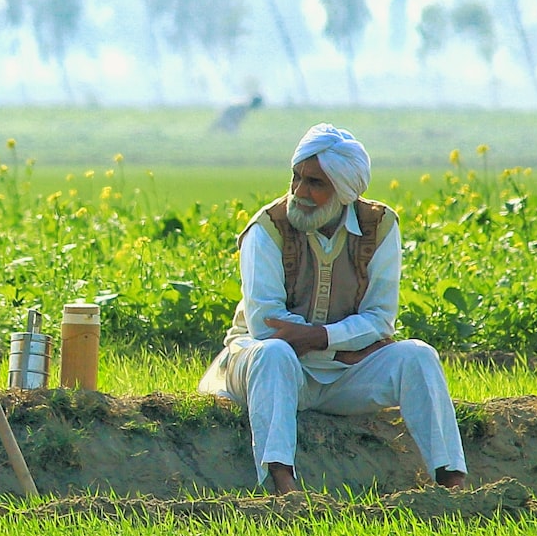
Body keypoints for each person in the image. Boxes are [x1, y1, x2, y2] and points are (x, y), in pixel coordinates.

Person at [199, 122, 466, 493]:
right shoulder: (267, 229)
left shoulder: (381, 227)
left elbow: (380, 319)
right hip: (266, 369)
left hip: (342, 374)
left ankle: (453, 483)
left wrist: (324, 339)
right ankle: (282, 486)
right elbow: (266, 325)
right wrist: (348, 345)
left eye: (315, 183)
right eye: (297, 178)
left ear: (344, 191)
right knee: (274, 352)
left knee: (418, 356)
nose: (299, 192)